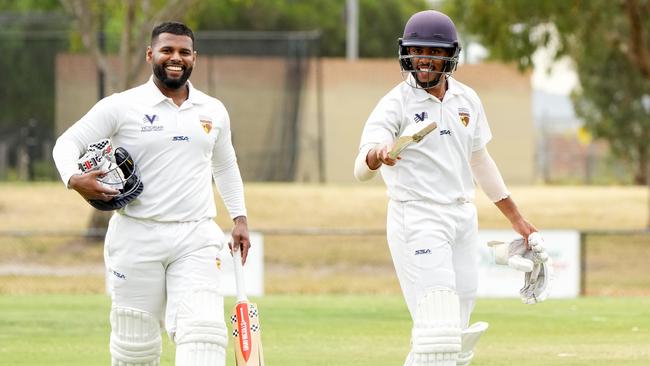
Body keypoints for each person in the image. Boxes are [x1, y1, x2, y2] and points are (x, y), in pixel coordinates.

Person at [52, 21, 250, 366]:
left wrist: (240, 217)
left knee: (203, 333)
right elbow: (66, 143)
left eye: (184, 52)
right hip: (136, 234)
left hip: (196, 235)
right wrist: (73, 178)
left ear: (194, 58)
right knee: (135, 348)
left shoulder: (213, 110)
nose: (176, 58)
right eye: (167, 50)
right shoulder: (122, 105)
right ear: (150, 55)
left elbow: (226, 166)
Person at [353, 10, 540, 366]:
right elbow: (361, 167)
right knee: (436, 328)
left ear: (450, 56)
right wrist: (377, 156)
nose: (423, 60)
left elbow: (480, 162)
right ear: (406, 53)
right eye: (416, 51)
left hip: (462, 217)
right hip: (417, 216)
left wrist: (517, 219)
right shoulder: (395, 103)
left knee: (456, 331)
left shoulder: (467, 100)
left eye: (433, 52)